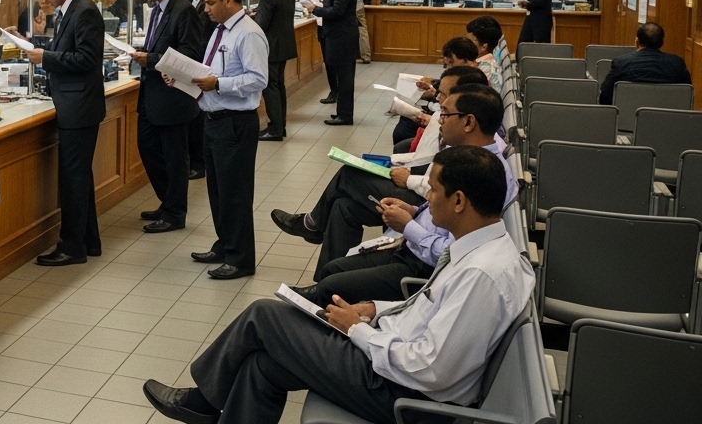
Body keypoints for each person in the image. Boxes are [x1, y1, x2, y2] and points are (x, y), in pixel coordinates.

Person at [143, 144, 534, 424]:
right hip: (391, 356)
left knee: (264, 315)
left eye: (432, 190)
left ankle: (202, 403)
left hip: (400, 390)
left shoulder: (482, 275)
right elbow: (430, 311)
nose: (426, 200)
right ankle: (205, 404)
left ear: (460, 201)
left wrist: (359, 331)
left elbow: (431, 370)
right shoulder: (482, 250)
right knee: (262, 366)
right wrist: (374, 310)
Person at [295, 84, 516, 306]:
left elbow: (451, 253)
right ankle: (320, 295)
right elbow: (436, 209)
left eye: (446, 114)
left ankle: (325, 306)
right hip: (413, 246)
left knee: (331, 284)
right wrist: (413, 210)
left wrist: (408, 226)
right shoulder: (468, 157)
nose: (439, 120)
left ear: (468, 122)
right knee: (336, 247)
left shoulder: (481, 173)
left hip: (424, 267)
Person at [273, 66, 490, 277]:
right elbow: (432, 164)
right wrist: (394, 163)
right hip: (421, 203)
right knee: (343, 207)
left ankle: (313, 225)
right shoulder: (461, 130)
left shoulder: (478, 154)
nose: (439, 101)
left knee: (350, 175)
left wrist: (409, 182)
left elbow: (440, 192)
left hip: (422, 217)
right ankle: (324, 286)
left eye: (443, 95)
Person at [186, 0, 267, 280]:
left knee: (235, 193)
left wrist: (218, 84)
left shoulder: (249, 34)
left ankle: (241, 259)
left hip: (235, 122)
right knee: (218, 191)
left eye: (210, 2)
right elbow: (212, 69)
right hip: (212, 118)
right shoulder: (220, 31)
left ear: (229, 1)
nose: (205, 8)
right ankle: (225, 244)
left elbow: (259, 79)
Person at [25, 0, 105, 267]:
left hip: (79, 106)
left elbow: (85, 58)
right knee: (79, 177)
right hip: (73, 103)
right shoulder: (68, 11)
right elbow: (67, 50)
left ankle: (72, 246)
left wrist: (45, 57)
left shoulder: (83, 10)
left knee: (73, 179)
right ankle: (89, 240)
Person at [130, 0, 204, 233]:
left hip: (173, 98)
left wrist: (150, 59)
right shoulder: (157, 9)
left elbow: (191, 54)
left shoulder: (183, 10)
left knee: (175, 158)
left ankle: (175, 212)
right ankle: (167, 201)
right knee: (147, 148)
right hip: (151, 95)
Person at [304, 0, 359, 125]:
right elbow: (330, 4)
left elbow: (337, 11)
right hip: (340, 35)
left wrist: (315, 9)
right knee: (342, 76)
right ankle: (342, 112)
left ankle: (345, 115)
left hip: (341, 37)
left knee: (344, 77)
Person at [252, 0, 297, 141]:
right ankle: (280, 125)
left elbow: (261, 24)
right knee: (278, 87)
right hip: (284, 46)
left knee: (270, 88)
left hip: (271, 48)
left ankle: (275, 129)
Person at [600, 21, 692, 104]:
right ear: (662, 43)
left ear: (637, 42)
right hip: (669, 121)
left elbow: (604, 96)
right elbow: (688, 95)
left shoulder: (621, 63)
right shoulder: (677, 64)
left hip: (627, 120)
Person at [184, 0, 215, 181]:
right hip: (191, 65)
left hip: (203, 64)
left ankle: (200, 162)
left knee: (199, 119)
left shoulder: (208, 3)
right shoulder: (190, 1)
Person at [465, 17, 504, 91]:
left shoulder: (482, 71)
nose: (466, 44)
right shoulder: (493, 61)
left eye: (470, 41)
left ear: (484, 47)